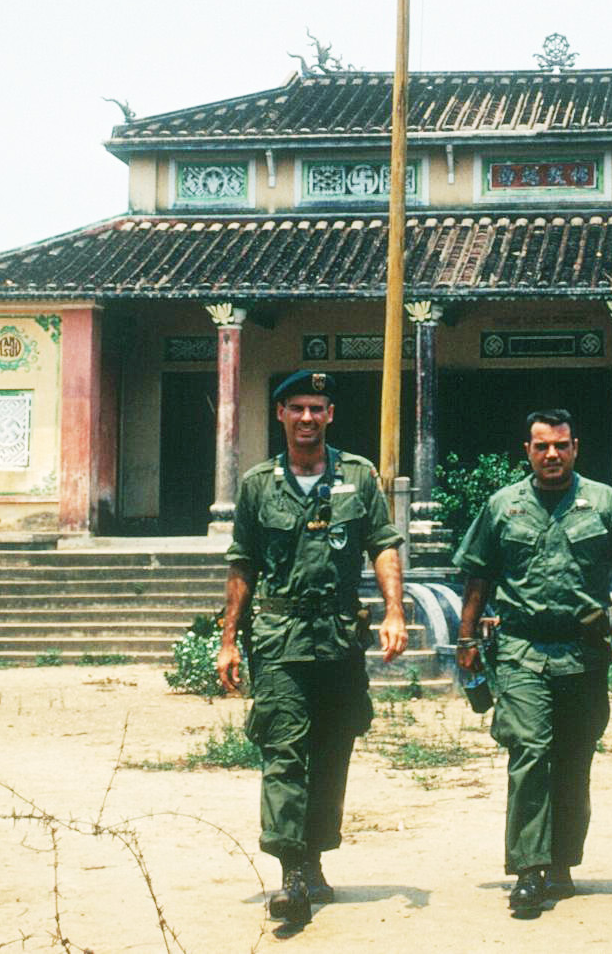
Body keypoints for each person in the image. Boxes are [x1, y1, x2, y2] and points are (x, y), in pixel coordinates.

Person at [217, 370, 408, 927]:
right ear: (279, 414)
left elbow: (383, 544)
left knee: (332, 750)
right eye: (296, 408)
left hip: (339, 639)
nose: (306, 418)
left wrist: (395, 610)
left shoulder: (359, 476)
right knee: (283, 751)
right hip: (278, 640)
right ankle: (291, 871)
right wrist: (228, 640)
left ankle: (315, 855)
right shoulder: (257, 484)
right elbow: (242, 563)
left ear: (329, 416)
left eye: (316, 409)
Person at [453, 408, 612, 917]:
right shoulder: (503, 506)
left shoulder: (603, 502)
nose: (552, 454)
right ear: (527, 451)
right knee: (529, 750)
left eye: (561, 445)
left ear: (575, 447)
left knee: (573, 756)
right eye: (542, 446)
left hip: (584, 652)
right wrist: (465, 638)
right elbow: (477, 575)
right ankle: (528, 869)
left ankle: (562, 861)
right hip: (522, 650)